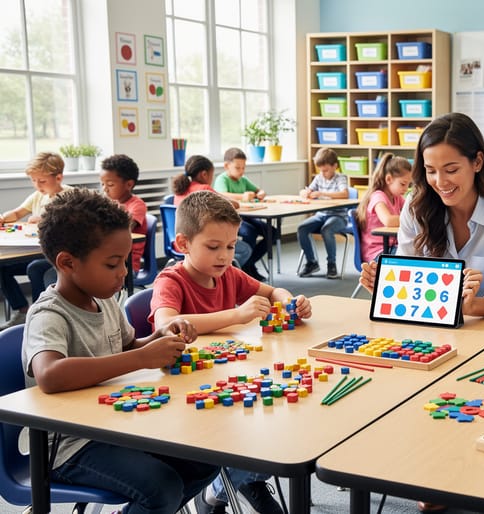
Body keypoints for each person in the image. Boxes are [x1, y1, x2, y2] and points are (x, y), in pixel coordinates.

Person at [22, 188, 219, 513]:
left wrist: (157, 338)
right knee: (161, 487)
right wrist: (141, 357)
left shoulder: (105, 300)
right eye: (113, 264)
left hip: (117, 423)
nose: (124, 272)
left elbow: (128, 348)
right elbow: (50, 375)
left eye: (124, 262)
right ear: (68, 262)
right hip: (69, 447)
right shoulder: (49, 315)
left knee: (206, 459)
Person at [149, 190, 311, 514]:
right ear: (183, 244)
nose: (224, 256)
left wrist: (290, 299)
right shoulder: (171, 281)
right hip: (185, 398)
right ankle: (221, 489)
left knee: (283, 418)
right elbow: (167, 323)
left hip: (227, 381)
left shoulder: (229, 274)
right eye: (213, 247)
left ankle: (235, 484)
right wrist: (236, 315)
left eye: (231, 246)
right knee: (264, 434)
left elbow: (272, 290)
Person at [359, 112, 484, 319]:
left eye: (451, 170)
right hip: (431, 329)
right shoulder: (416, 206)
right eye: (431, 171)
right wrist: (388, 290)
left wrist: (472, 306)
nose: (440, 182)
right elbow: (407, 277)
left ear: (477, 162)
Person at [0, 152, 72, 330]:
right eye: (33, 180)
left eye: (42, 181)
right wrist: (3, 217)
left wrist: (44, 219)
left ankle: (42, 314)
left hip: (56, 254)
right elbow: (17, 213)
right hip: (36, 250)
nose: (37, 185)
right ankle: (24, 311)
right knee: (2, 266)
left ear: (58, 177)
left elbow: (72, 225)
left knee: (34, 268)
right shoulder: (37, 196)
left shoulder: (70, 195)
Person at [172, 154, 252, 269]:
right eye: (212, 175)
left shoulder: (180, 190)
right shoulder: (204, 189)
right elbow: (231, 204)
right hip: (203, 238)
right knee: (245, 249)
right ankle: (223, 273)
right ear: (204, 174)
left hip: (180, 241)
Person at [213, 147, 270, 281]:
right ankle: (248, 270)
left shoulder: (243, 180)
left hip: (248, 215)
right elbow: (222, 194)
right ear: (227, 166)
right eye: (238, 168)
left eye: (243, 167)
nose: (241, 171)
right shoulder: (222, 179)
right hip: (232, 219)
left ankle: (249, 264)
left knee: (270, 231)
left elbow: (258, 190)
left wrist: (260, 193)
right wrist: (242, 196)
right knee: (249, 232)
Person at [296, 147, 350, 279]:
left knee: (327, 229)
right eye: (320, 170)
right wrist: (306, 193)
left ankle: (331, 264)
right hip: (321, 215)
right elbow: (305, 191)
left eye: (325, 170)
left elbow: (345, 194)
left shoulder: (340, 178)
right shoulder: (319, 178)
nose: (323, 173)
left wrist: (322, 193)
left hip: (338, 217)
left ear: (334, 166)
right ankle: (311, 262)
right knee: (302, 228)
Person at [356, 152, 412, 262]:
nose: (406, 188)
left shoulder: (396, 197)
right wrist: (412, 219)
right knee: (411, 256)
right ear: (389, 179)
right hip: (378, 252)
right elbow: (388, 221)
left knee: (418, 251)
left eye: (409, 185)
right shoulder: (378, 196)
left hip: (391, 247)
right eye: (403, 184)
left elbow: (411, 210)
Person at [99, 154, 147, 273]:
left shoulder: (137, 205)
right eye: (102, 184)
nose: (105, 189)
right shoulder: (107, 204)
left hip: (126, 263)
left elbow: (125, 228)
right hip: (106, 257)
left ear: (129, 185)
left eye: (110, 184)